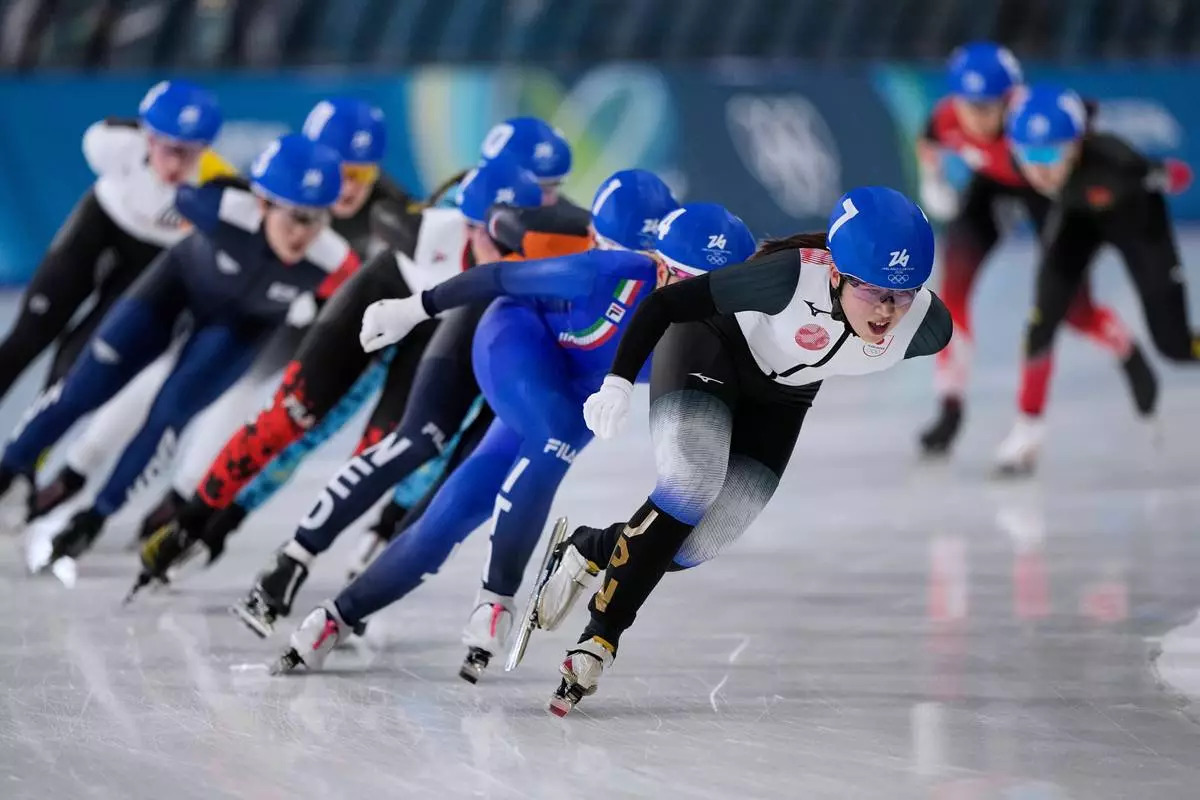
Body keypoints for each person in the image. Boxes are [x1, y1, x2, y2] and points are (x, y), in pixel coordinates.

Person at [269, 191, 753, 687]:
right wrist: (414, 308)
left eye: (721, 292)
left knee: (452, 513)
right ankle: (497, 597)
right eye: (688, 285)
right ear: (659, 267)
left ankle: (333, 618)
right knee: (554, 434)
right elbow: (502, 275)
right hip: (517, 338)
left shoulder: (730, 322)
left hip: (577, 392)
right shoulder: (611, 272)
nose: (700, 306)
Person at [518, 186, 954, 715]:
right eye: (873, 291)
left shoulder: (927, 326)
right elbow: (665, 303)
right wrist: (616, 381)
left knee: (694, 545)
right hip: (711, 345)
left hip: (785, 396)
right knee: (690, 486)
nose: (887, 310)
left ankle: (590, 547)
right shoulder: (788, 279)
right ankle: (601, 637)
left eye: (901, 292)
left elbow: (897, 316)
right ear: (836, 273)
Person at [227, 168, 672, 642]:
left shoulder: (579, 237)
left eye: (550, 188)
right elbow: (470, 259)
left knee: (463, 487)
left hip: (551, 364)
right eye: (475, 228)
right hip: (487, 326)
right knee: (418, 440)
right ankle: (296, 555)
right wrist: (410, 307)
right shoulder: (451, 231)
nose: (485, 237)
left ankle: (362, 585)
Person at [132, 118, 578, 591]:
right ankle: (197, 519)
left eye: (549, 189)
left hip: (440, 329)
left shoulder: (556, 225)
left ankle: (357, 534)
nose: (538, 199)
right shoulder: (449, 209)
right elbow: (391, 221)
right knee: (295, 420)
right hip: (388, 301)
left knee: (390, 448)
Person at [28, 96, 413, 532]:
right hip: (235, 300)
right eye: (340, 171)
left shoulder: (389, 211)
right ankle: (77, 470)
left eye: (361, 175)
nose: (345, 188)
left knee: (235, 395)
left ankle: (184, 495)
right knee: (157, 375)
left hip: (297, 320)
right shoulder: (278, 180)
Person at [11, 133, 358, 575]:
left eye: (317, 220)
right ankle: (12, 467)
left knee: (169, 416)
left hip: (236, 331)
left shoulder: (335, 261)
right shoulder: (216, 205)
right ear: (265, 203)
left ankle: (95, 515)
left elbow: (349, 314)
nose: (304, 233)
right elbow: (149, 194)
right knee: (83, 390)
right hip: (169, 298)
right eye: (296, 217)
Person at [915, 42, 1156, 458]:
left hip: (1047, 195)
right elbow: (928, 140)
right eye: (969, 106)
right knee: (950, 294)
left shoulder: (1033, 116)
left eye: (989, 107)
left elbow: (1085, 121)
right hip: (988, 191)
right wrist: (932, 181)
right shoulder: (947, 117)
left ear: (1009, 100)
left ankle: (1123, 346)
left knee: (1074, 313)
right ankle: (950, 406)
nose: (977, 117)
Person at [0, 80, 231, 503]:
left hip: (150, 261)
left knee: (75, 366)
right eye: (168, 148)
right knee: (27, 338)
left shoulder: (216, 185)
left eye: (190, 151)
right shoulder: (110, 143)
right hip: (98, 229)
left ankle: (21, 465)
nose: (177, 163)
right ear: (148, 136)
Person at [996, 83, 1197, 472]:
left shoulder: (1115, 160)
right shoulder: (1019, 161)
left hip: (1138, 226)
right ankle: (1027, 431)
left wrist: (1165, 176)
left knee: (1175, 346)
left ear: (1076, 145)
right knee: (1042, 321)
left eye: (1050, 154)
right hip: (1079, 221)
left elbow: (1177, 175)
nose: (1039, 169)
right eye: (1029, 155)